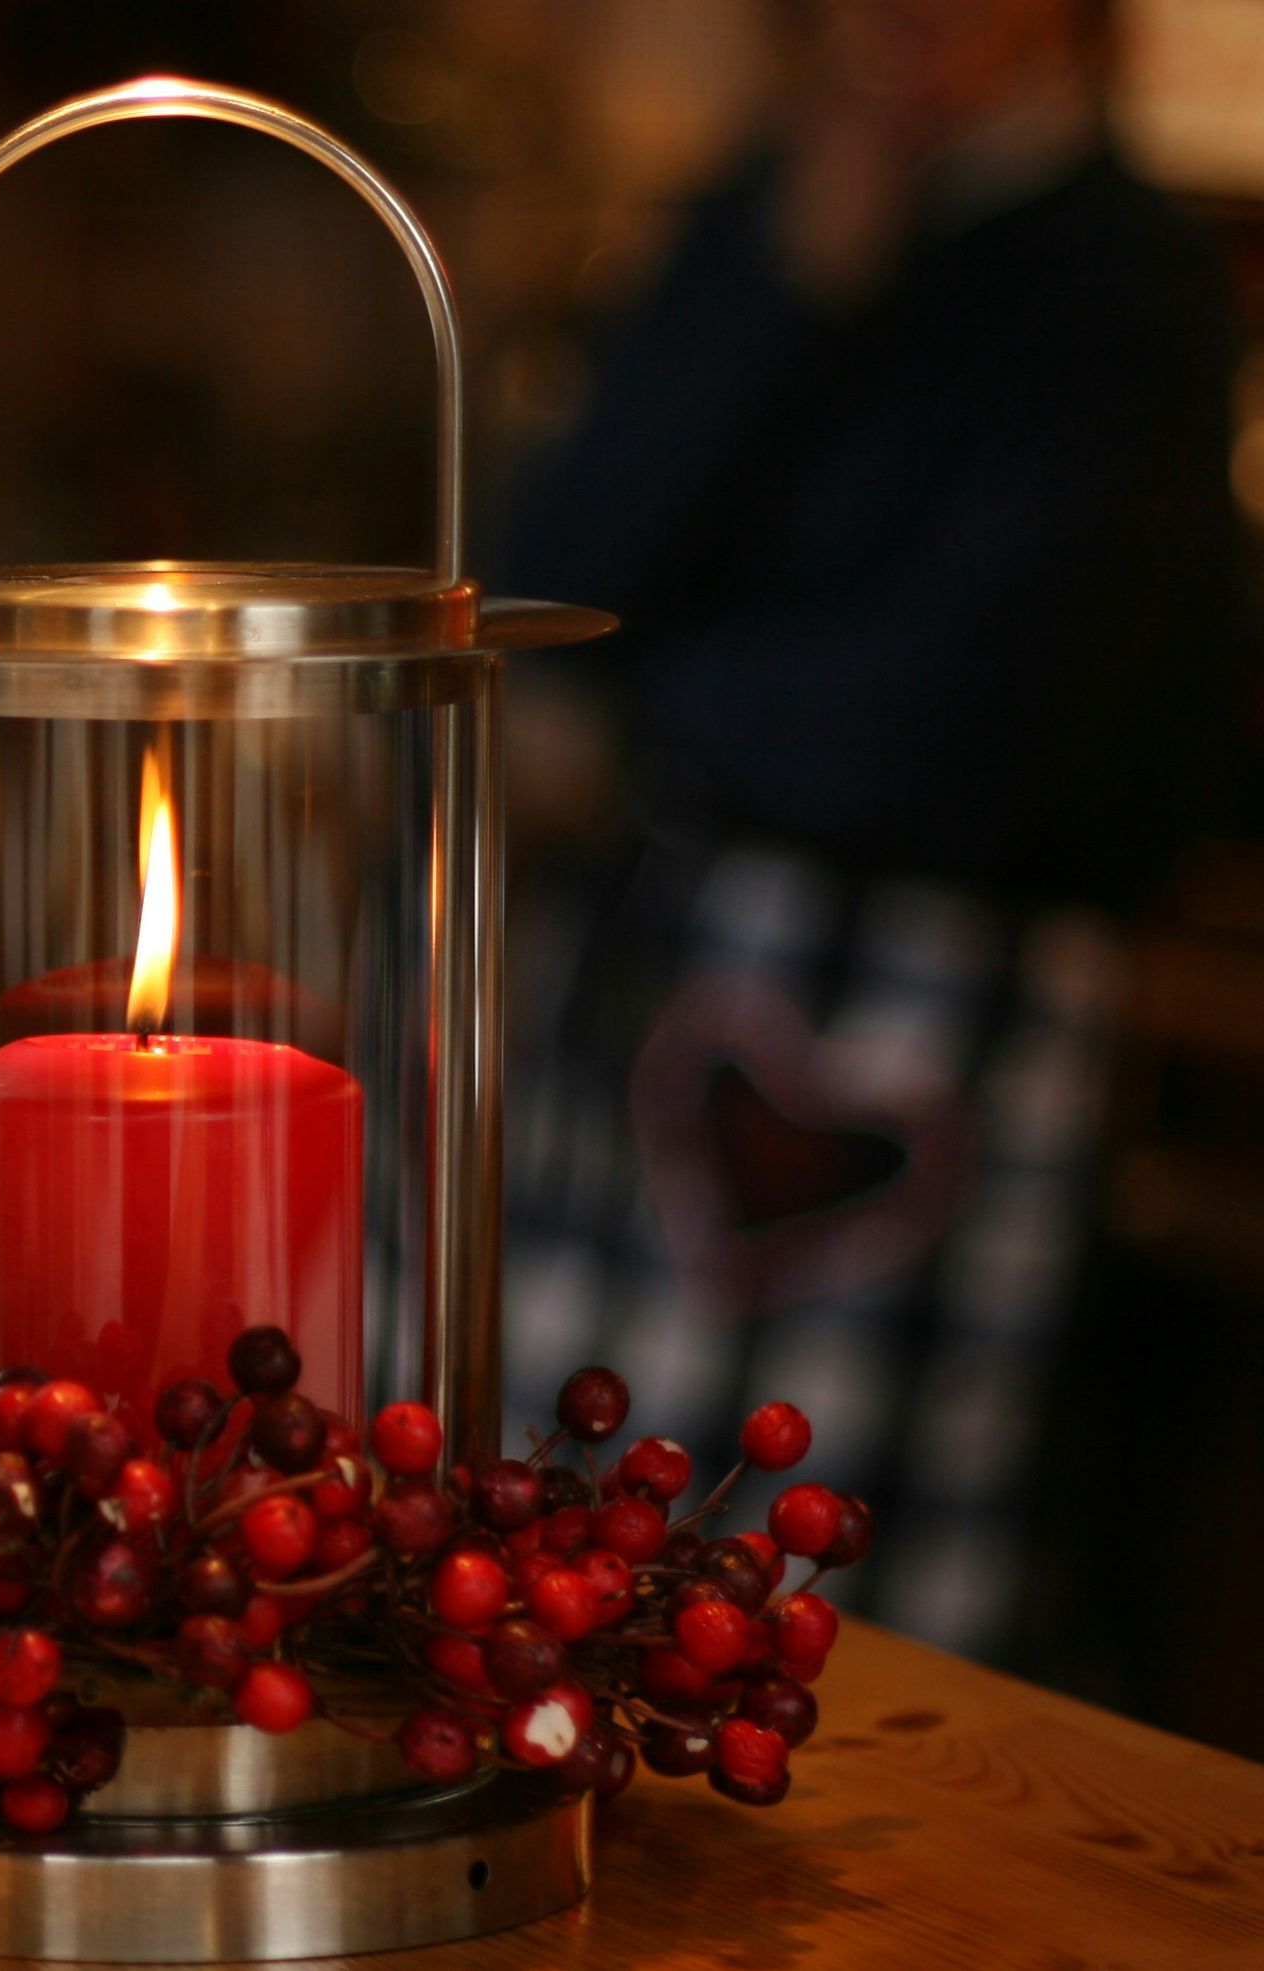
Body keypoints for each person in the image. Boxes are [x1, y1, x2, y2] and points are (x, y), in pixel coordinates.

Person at [496, 0, 1250, 1658]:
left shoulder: (1119, 275)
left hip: (931, 1009)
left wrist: (648, 713)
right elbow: (549, 578)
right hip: (652, 988)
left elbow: (990, 707)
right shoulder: (764, 214)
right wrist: (792, 279)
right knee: (563, 1537)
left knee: (840, 1597)